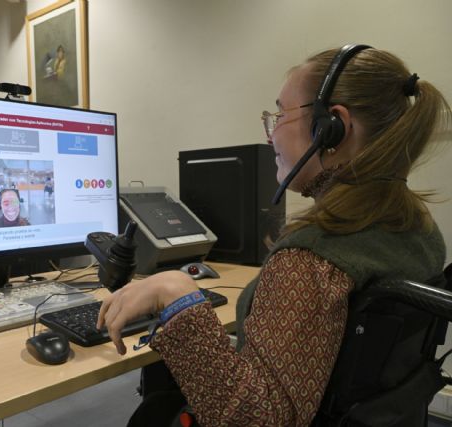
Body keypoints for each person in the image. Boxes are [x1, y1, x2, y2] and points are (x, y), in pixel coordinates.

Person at [97, 45, 450, 426]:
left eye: (280, 114)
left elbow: (257, 419)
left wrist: (176, 294)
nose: (270, 135)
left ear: (333, 126)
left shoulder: (310, 259)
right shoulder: (418, 227)